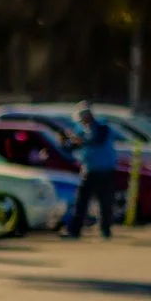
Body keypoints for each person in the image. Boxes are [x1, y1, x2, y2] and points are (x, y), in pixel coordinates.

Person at [65, 102, 120, 240]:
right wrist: (66, 142)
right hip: (89, 170)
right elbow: (72, 146)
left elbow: (97, 140)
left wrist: (80, 141)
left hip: (105, 170)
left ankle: (105, 230)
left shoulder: (102, 127)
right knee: (81, 201)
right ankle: (74, 231)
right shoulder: (81, 129)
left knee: (105, 202)